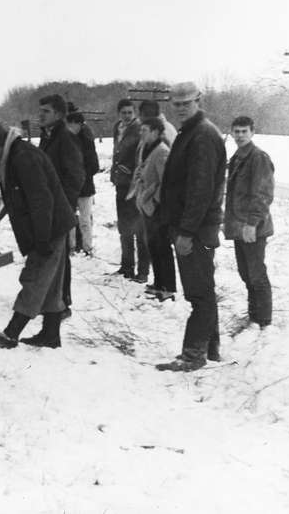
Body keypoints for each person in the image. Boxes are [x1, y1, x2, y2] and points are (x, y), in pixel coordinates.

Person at [0, 122, 76, 350]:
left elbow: (41, 200)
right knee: (50, 283)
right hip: (52, 226)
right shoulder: (14, 156)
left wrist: (41, 239)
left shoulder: (23, 158)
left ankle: (11, 334)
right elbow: (15, 198)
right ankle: (51, 335)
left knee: (35, 279)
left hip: (49, 228)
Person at [156, 82, 227, 371]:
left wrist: (186, 232)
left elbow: (201, 191)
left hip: (196, 231)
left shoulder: (202, 136)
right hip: (195, 228)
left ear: (199, 100)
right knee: (203, 290)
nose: (182, 107)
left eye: (187, 102)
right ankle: (209, 349)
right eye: (177, 103)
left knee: (199, 294)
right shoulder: (192, 132)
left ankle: (194, 355)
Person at [224, 116, 275, 328]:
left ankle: (263, 320)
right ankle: (254, 316)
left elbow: (263, 194)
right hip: (240, 227)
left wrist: (252, 223)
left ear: (252, 132)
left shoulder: (258, 157)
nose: (240, 136)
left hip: (253, 227)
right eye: (236, 131)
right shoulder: (237, 157)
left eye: (244, 131)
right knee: (246, 273)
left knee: (256, 275)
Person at [37, 94, 84, 313]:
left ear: (58, 114)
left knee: (61, 257)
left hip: (59, 208)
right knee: (52, 257)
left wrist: (63, 206)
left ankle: (63, 303)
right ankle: (52, 301)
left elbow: (76, 176)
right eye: (41, 110)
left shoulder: (65, 138)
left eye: (45, 111)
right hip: (48, 207)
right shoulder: (47, 136)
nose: (40, 114)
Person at [128, 117, 176, 301]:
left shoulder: (162, 152)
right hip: (147, 208)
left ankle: (168, 287)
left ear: (156, 132)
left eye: (145, 130)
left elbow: (167, 182)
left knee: (162, 247)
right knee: (153, 246)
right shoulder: (148, 149)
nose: (141, 133)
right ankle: (158, 283)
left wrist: (155, 203)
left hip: (157, 210)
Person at [110, 98, 149, 281]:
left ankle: (142, 271)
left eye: (129, 113)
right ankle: (126, 267)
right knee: (124, 227)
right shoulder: (117, 127)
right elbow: (116, 154)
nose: (126, 116)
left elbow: (142, 156)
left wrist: (134, 172)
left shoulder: (140, 129)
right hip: (121, 185)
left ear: (134, 113)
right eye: (123, 112)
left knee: (139, 230)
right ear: (119, 113)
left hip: (135, 186)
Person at [65, 112, 100, 255]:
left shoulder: (86, 140)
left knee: (84, 219)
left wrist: (81, 175)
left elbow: (93, 165)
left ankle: (86, 247)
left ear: (77, 123)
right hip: (73, 186)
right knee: (73, 219)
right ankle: (72, 247)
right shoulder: (67, 140)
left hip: (83, 186)